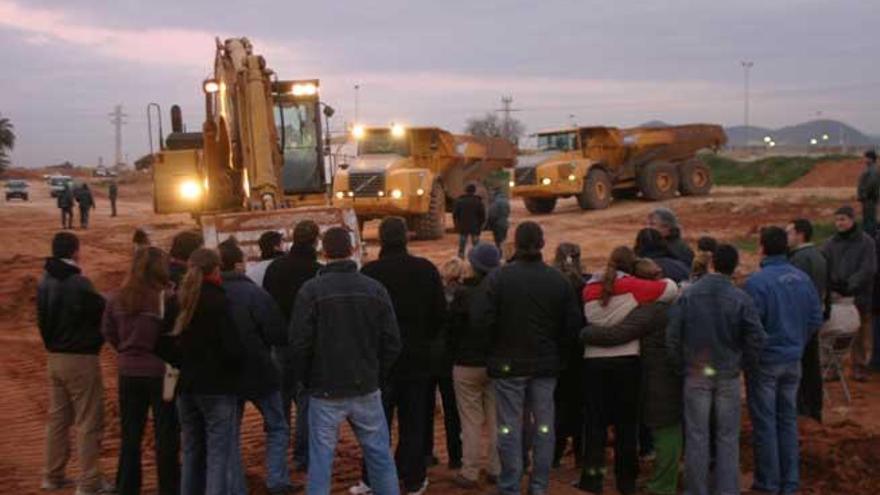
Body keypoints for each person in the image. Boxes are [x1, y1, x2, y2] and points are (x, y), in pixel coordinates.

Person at [290, 227, 402, 495]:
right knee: (380, 457)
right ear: (352, 250)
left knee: (321, 462)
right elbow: (392, 342)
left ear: (324, 252)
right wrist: (375, 372)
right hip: (365, 386)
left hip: (325, 389)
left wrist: (307, 379)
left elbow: (299, 343)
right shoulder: (374, 289)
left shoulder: (311, 291)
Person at [474, 221, 582, 495]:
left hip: (509, 364)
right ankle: (538, 486)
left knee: (510, 426)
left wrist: (493, 351)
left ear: (516, 244)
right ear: (542, 244)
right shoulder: (558, 280)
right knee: (544, 426)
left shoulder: (498, 278)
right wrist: (558, 355)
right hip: (545, 364)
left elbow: (481, 322)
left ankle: (510, 485)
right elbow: (571, 326)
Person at [357, 217, 446, 495]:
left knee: (375, 423)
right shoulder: (426, 270)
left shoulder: (368, 273)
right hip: (417, 361)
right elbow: (439, 315)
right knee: (414, 422)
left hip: (380, 363)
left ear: (381, 240)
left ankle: (372, 479)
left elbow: (362, 321)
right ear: (406, 238)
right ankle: (414, 478)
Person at [667, 244, 765, 495]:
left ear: (711, 264)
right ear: (735, 267)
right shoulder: (740, 297)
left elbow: (673, 337)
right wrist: (745, 364)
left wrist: (681, 366)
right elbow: (756, 337)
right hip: (727, 374)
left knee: (697, 437)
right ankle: (727, 490)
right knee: (727, 437)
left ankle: (696, 490)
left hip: (696, 373)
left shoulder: (688, 295)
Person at [578, 247, 678, 494]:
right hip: (626, 362)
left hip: (593, 361)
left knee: (594, 424)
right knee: (626, 426)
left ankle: (592, 480)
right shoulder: (635, 287)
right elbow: (671, 288)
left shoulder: (588, 289)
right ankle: (626, 482)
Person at [744, 227, 823, 494]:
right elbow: (815, 317)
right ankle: (790, 482)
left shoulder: (757, 282)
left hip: (767, 361)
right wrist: (797, 341)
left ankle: (768, 482)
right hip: (793, 359)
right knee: (787, 420)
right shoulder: (802, 278)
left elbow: (751, 328)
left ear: (763, 248)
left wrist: (755, 354)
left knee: (766, 423)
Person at [159, 248, 243, 495]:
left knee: (192, 450)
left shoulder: (178, 300)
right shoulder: (218, 301)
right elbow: (233, 347)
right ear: (216, 269)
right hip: (216, 387)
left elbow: (159, 343)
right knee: (218, 454)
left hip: (186, 387)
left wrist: (180, 362)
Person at [37, 232, 113, 495]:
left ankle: (52, 475)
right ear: (75, 252)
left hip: (55, 357)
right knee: (88, 420)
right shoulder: (80, 283)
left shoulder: (44, 282)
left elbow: (42, 321)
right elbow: (102, 312)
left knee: (58, 419)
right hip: (81, 358)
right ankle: (89, 481)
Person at [217, 239, 295, 495]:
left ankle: (234, 486)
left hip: (225, 373)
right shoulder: (254, 293)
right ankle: (277, 480)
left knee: (229, 432)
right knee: (277, 425)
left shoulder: (206, 294)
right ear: (239, 264)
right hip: (259, 369)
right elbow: (276, 332)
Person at [102, 246, 180, 495]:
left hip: (128, 372)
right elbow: (172, 336)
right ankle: (169, 486)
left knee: (131, 433)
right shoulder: (164, 298)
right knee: (166, 432)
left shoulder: (117, 297)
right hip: (161, 373)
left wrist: (125, 351)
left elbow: (108, 331)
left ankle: (127, 486)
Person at [263, 220, 322, 473]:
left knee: (280, 399)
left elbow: (266, 303)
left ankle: (278, 453)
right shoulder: (318, 271)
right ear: (315, 241)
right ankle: (303, 456)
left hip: (280, 342)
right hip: (308, 345)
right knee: (305, 401)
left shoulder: (276, 267)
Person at [447, 244, 502, 489]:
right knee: (496, 420)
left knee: (470, 422)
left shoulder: (463, 293)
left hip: (466, 364)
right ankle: (496, 468)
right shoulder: (501, 292)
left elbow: (453, 330)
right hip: (496, 363)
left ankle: (469, 471)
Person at [821, 206, 877, 381]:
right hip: (837, 296)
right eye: (837, 220)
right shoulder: (830, 243)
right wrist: (834, 285)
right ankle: (833, 367)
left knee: (860, 331)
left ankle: (859, 366)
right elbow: (824, 264)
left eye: (843, 219)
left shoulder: (866, 242)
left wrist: (851, 285)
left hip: (860, 295)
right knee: (834, 331)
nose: (840, 223)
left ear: (852, 220)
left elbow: (869, 268)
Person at [786, 219, 828, 422]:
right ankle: (815, 409)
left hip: (800, 322)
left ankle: (803, 410)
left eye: (789, 233)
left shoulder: (799, 259)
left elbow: (794, 294)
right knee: (812, 366)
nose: (787, 238)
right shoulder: (819, 255)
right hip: (814, 319)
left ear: (800, 234)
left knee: (801, 368)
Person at [424, 259, 463, 471]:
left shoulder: (431, 296)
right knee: (452, 411)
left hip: (429, 357)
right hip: (449, 359)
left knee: (426, 408)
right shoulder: (462, 296)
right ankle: (456, 457)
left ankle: (427, 453)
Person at [551, 242, 587, 468]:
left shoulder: (551, 283)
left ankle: (554, 455)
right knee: (580, 406)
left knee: (557, 407)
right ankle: (581, 456)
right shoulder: (586, 284)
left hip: (557, 353)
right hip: (582, 353)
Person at [453, 184, 486, 258]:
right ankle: (477, 257)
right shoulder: (478, 201)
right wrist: (481, 225)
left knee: (462, 243)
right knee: (476, 244)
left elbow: (455, 214)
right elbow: (482, 215)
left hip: (463, 226)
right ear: (474, 191)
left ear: (465, 191)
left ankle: (461, 256)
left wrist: (457, 224)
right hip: (475, 226)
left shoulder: (460, 201)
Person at [857, 150, 880, 235]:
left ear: (871, 159)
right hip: (868, 198)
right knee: (868, 218)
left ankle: (870, 238)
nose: (864, 159)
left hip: (869, 199)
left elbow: (872, 183)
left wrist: (865, 194)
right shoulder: (871, 169)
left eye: (866, 157)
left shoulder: (873, 170)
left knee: (869, 219)